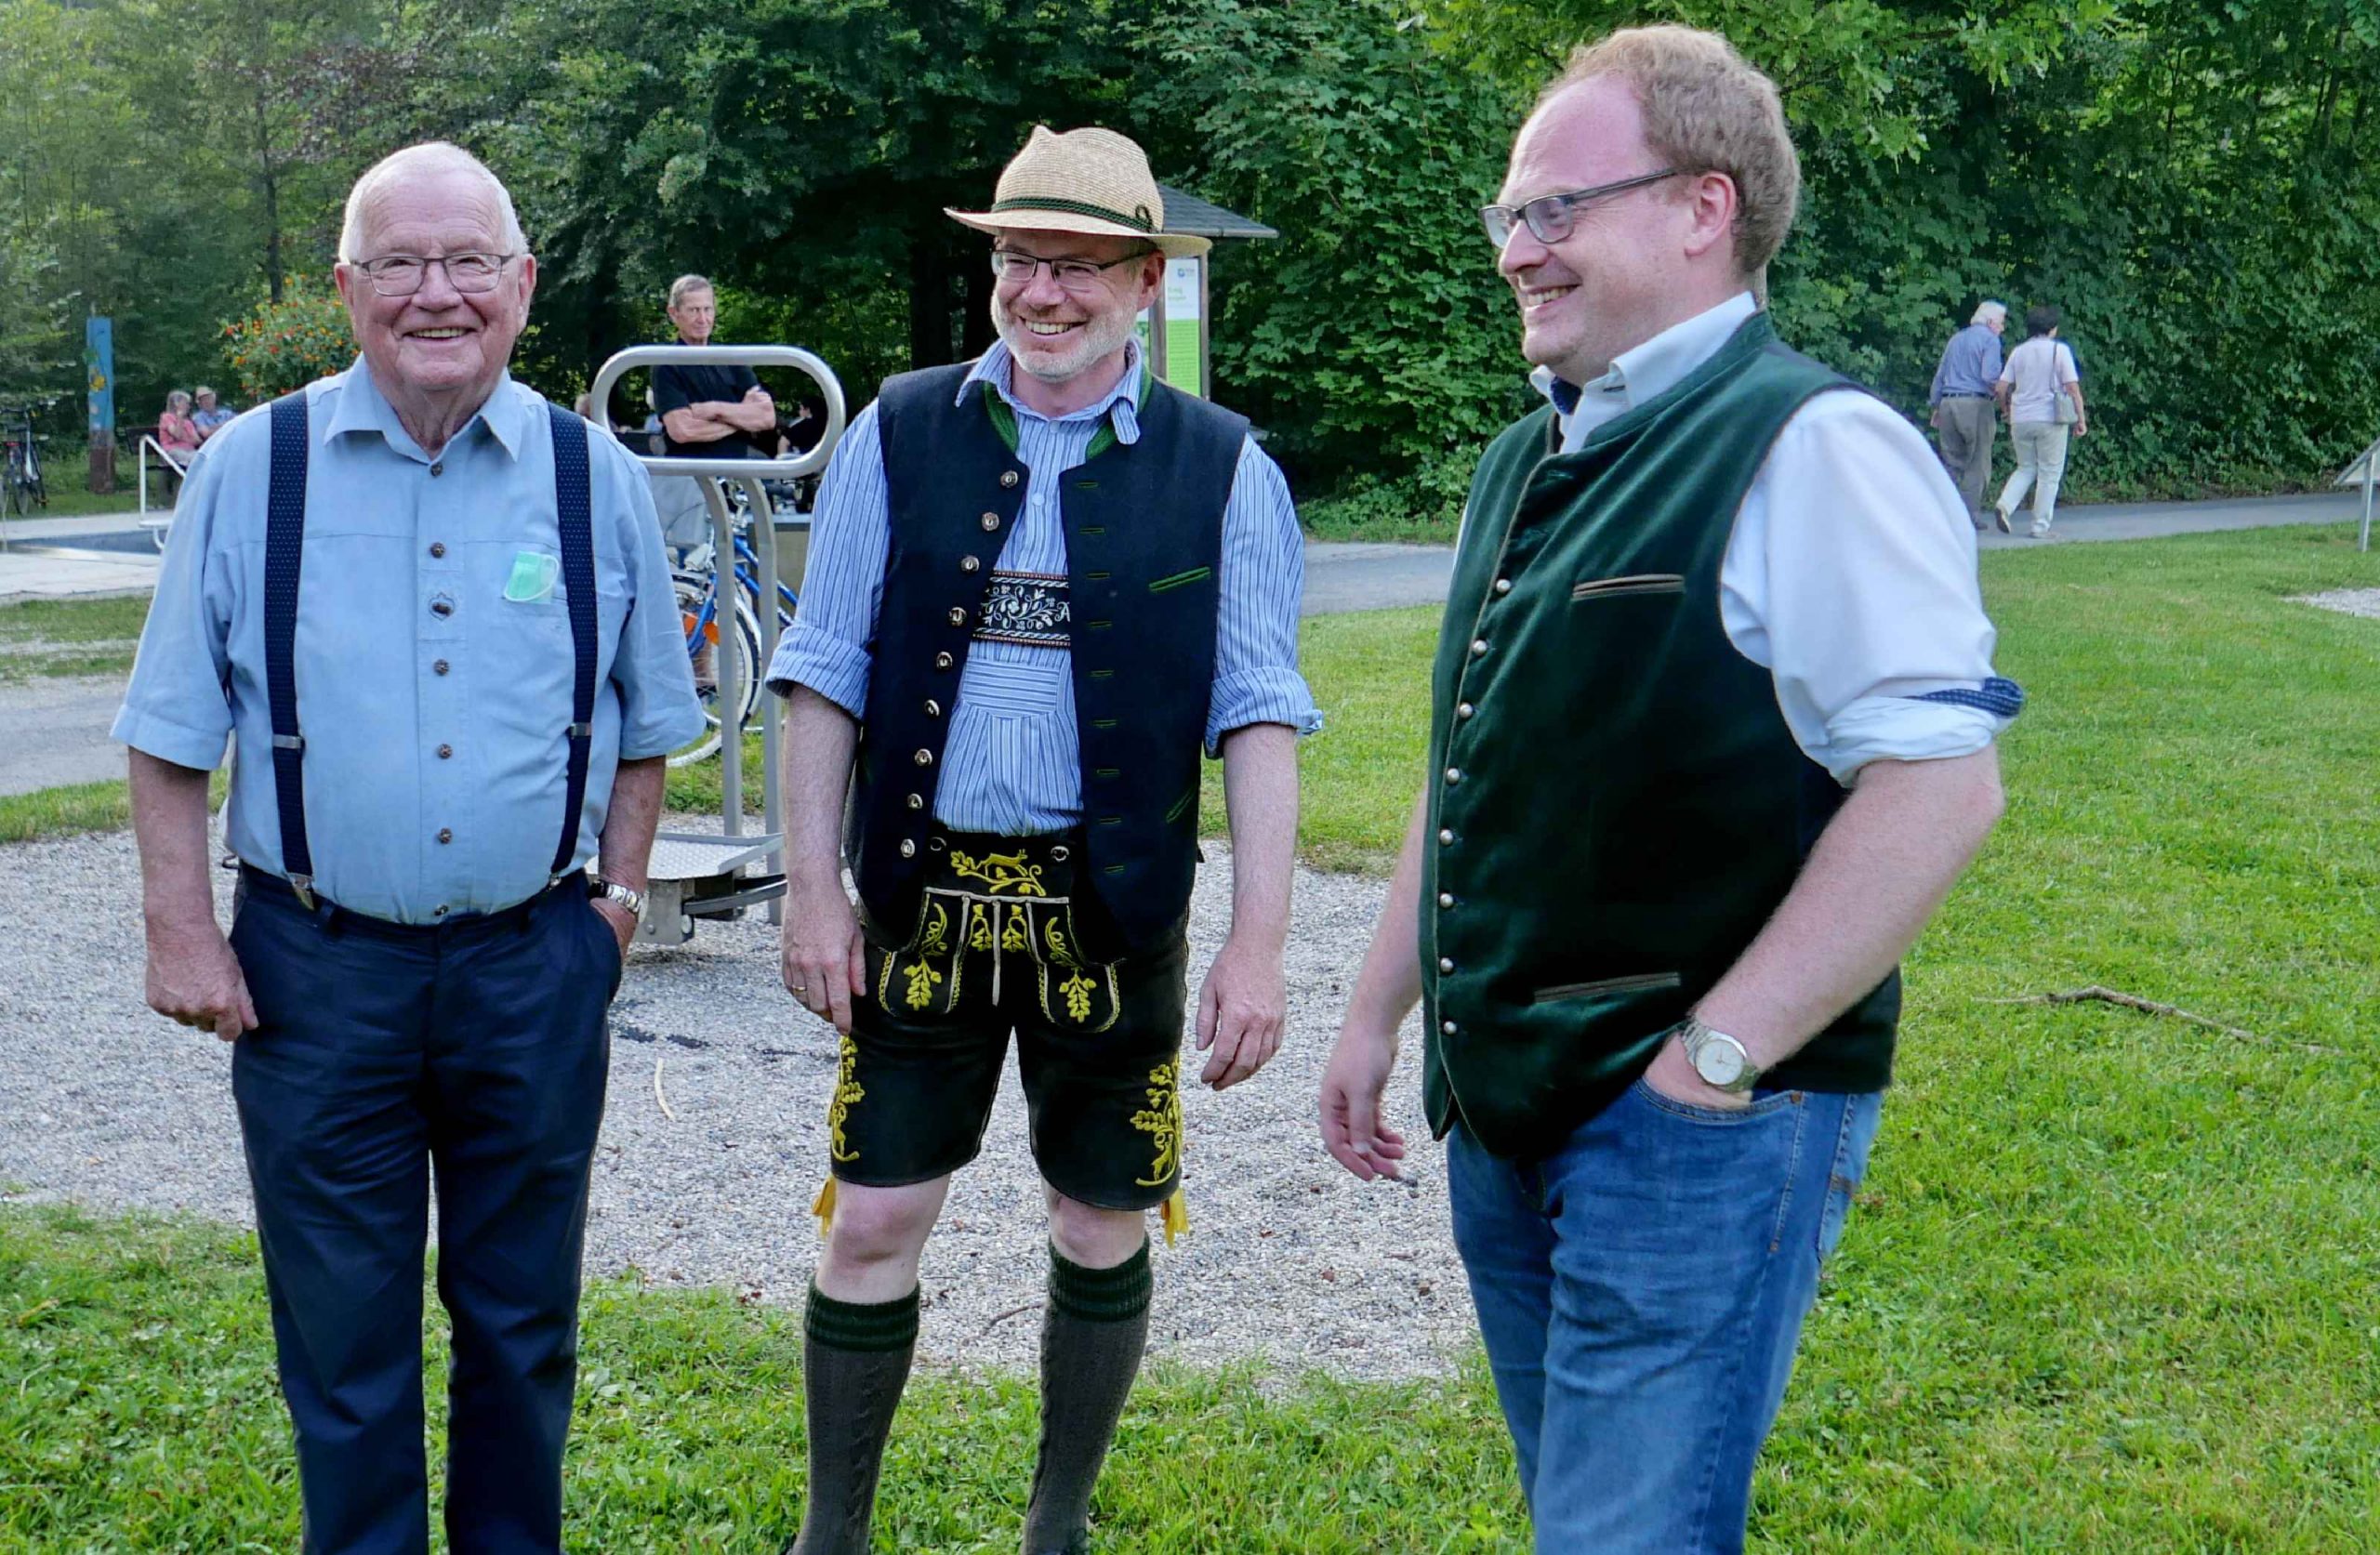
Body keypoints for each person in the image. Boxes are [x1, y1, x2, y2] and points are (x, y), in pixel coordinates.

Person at [1317, 28, 2016, 1554]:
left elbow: (1941, 784)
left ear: (1705, 208)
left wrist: (1713, 1058)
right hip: (1507, 1114)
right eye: (1510, 215)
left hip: (1693, 1130)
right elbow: (1471, 756)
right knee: (1587, 1518)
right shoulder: (1521, 460)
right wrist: (1377, 1011)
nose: (1518, 250)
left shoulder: (1816, 445)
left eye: (1555, 208)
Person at [112, 140, 703, 1552]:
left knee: (523, 1329)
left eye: (469, 262)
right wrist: (180, 930)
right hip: (315, 974)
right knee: (342, 1348)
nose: (438, 293)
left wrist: (615, 908)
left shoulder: (594, 474)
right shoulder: (253, 469)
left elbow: (647, 722)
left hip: (532, 965)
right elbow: (168, 730)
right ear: (347, 288)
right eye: (400, 263)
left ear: (523, 284)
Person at [769, 124, 1317, 1555]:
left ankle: (1056, 1526)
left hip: (1114, 908)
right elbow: (823, 669)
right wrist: (812, 890)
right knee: (873, 1217)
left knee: (1098, 1220)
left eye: (1080, 265)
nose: (1043, 291)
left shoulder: (1224, 468)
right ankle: (832, 1535)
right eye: (1020, 257)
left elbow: (1260, 710)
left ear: (1146, 281)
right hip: (918, 903)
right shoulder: (897, 431)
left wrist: (1259, 946)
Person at [1993, 303, 2087, 538]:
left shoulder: (2018, 352)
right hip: (2050, 418)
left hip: (2021, 418)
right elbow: (2072, 387)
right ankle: (2040, 526)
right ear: (2052, 328)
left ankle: (2005, 505)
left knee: (2025, 467)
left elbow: (2001, 387)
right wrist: (2080, 419)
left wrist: (2006, 409)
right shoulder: (2060, 350)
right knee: (2049, 473)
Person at [1928, 300, 2006, 530]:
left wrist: (1936, 406)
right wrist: (2003, 394)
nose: (2002, 328)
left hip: (1948, 403)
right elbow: (1989, 376)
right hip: (1975, 404)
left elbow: (1940, 374)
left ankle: (1941, 512)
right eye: (2001, 323)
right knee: (1977, 461)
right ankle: (1969, 515)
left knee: (1951, 461)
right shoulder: (1990, 340)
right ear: (1991, 322)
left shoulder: (1956, 339)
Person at [155, 389, 202, 495]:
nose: (188, 406)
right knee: (193, 460)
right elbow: (177, 435)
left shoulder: (188, 422)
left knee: (202, 459)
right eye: (186, 403)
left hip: (189, 450)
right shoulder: (166, 417)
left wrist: (183, 438)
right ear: (177, 404)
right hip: (171, 451)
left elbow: (197, 440)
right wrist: (180, 418)